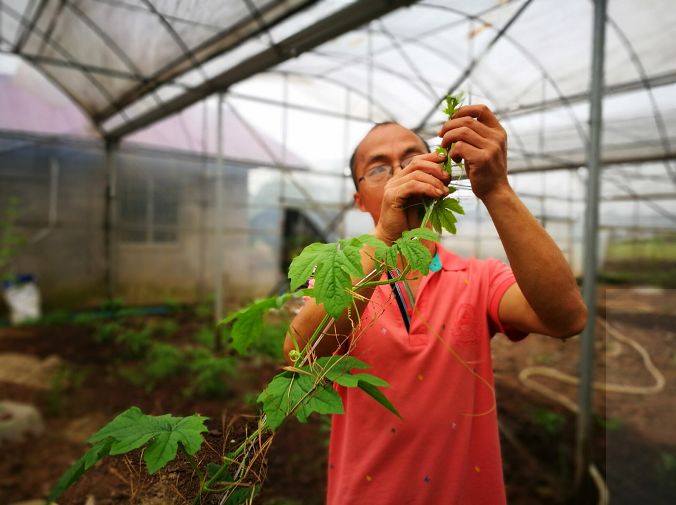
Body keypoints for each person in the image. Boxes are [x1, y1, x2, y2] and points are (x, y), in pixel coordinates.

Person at [283, 104, 587, 504]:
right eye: (378, 168)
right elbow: (299, 356)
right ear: (359, 200)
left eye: (413, 159)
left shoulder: (478, 277)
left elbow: (567, 317)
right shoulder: (337, 273)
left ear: (440, 173)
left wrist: (496, 189)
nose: (400, 173)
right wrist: (385, 236)